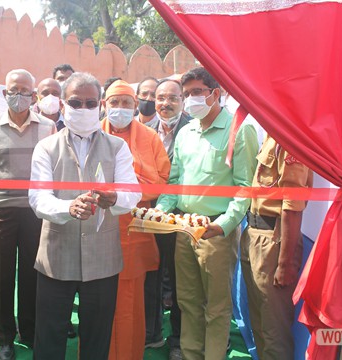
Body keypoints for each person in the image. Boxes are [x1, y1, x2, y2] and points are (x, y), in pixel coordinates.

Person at [29, 72, 141, 360]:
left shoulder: (117, 147)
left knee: (96, 339)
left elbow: (132, 192)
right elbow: (38, 198)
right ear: (64, 104)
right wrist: (67, 208)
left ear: (100, 105)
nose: (83, 109)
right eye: (76, 103)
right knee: (50, 338)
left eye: (90, 103)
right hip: (56, 256)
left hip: (102, 259)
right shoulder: (46, 147)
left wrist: (115, 197)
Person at [155, 67, 259, 360]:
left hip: (215, 231)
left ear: (216, 94)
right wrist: (161, 212)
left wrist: (224, 225)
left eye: (196, 92)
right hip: (183, 225)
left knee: (216, 307)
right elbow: (174, 181)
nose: (190, 100)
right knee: (187, 301)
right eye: (186, 94)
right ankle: (190, 354)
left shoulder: (240, 130)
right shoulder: (186, 132)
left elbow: (244, 188)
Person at [0, 69, 56, 360]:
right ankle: (4, 338)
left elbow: (51, 170)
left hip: (36, 212)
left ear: (34, 96)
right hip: (0, 210)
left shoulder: (48, 127)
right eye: (13, 90)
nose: (19, 96)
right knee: (0, 275)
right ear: (4, 93)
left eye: (25, 91)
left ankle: (29, 329)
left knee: (31, 272)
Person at [100, 80, 171, 360]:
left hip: (134, 228)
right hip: (98, 227)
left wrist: (126, 188)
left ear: (135, 105)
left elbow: (161, 180)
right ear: (104, 105)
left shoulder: (149, 137)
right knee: (98, 296)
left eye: (126, 103)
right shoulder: (92, 134)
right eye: (114, 103)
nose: (120, 108)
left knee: (130, 300)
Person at [241, 135, 312, 359]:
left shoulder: (292, 139)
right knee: (259, 323)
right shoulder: (273, 134)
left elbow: (292, 205)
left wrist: (286, 261)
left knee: (274, 329)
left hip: (273, 240)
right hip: (253, 232)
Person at [146, 78, 192, 360]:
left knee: (178, 281)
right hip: (149, 215)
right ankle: (152, 332)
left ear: (182, 100)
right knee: (151, 274)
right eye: (160, 98)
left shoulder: (193, 129)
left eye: (172, 97)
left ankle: (177, 337)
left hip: (181, 216)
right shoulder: (144, 131)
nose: (166, 103)